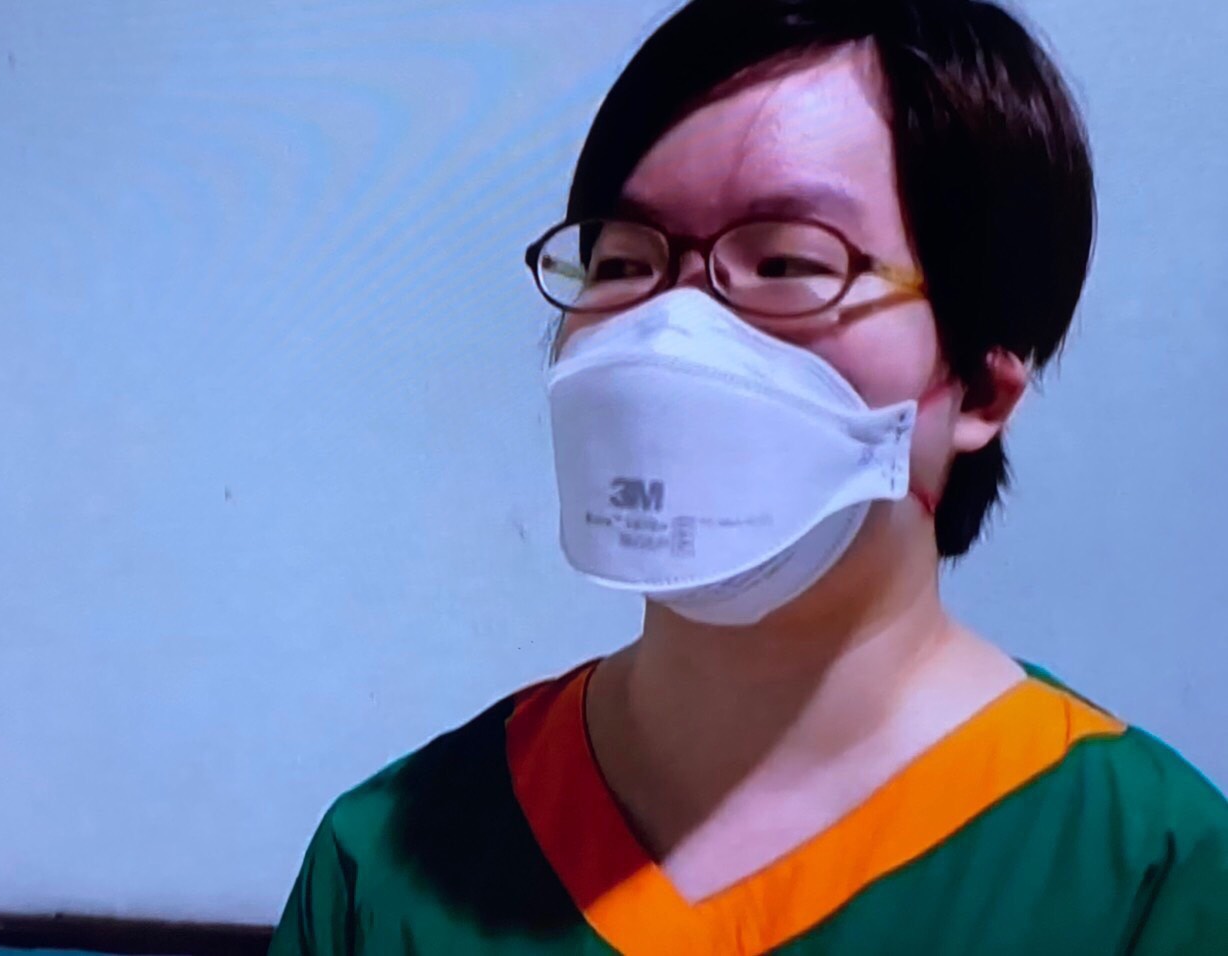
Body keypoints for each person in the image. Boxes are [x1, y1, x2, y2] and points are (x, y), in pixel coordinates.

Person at [268, 0, 1228, 952]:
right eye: (624, 263)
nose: (675, 331)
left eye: (785, 262)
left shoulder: (1147, 877)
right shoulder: (388, 866)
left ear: (978, 388)